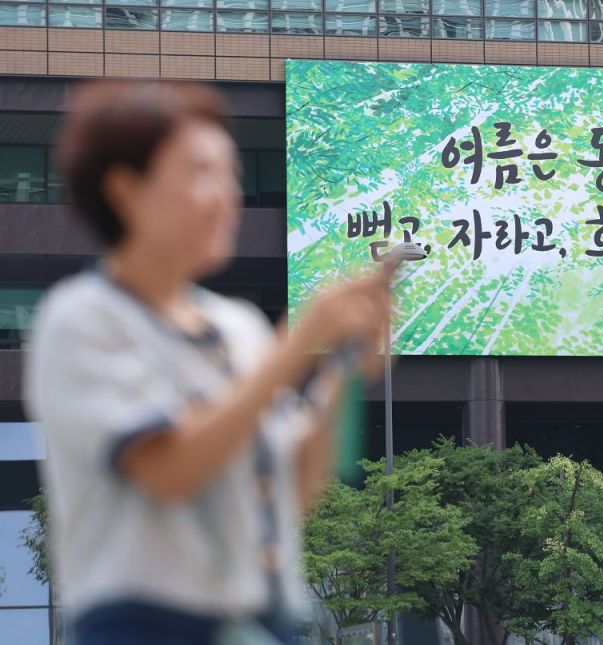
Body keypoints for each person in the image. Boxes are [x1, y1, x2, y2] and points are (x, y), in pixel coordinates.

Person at [23, 80, 391, 644]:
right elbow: (171, 470)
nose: (226, 197)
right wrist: (297, 345)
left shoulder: (238, 327)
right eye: (200, 172)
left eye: (231, 175)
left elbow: (293, 487)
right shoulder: (81, 319)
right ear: (126, 189)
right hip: (139, 627)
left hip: (258, 624)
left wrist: (341, 370)